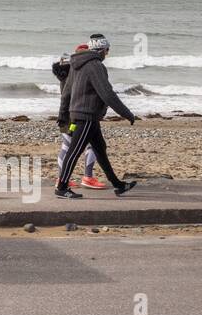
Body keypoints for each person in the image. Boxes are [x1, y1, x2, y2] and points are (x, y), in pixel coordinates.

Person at [55, 33, 139, 198]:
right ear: (101, 50)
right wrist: (127, 114)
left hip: (85, 116)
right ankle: (62, 187)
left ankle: (118, 185)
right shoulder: (95, 66)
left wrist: (62, 114)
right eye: (107, 50)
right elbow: (107, 94)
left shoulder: (76, 64)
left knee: (100, 150)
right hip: (86, 116)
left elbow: (66, 92)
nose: (107, 54)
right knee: (74, 152)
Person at [53, 46, 105, 189]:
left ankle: (61, 178)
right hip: (78, 114)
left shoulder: (66, 71)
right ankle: (87, 177)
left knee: (67, 146)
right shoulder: (78, 71)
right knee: (92, 145)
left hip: (67, 114)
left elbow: (65, 96)